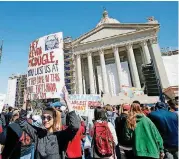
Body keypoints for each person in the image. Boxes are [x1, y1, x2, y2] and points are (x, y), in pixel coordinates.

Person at [17, 87, 80, 159]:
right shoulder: (38, 134)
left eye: (49, 118)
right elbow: (22, 122)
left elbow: (75, 126)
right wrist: (25, 102)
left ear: (54, 119)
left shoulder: (60, 136)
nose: (46, 120)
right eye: (44, 117)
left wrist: (67, 100)